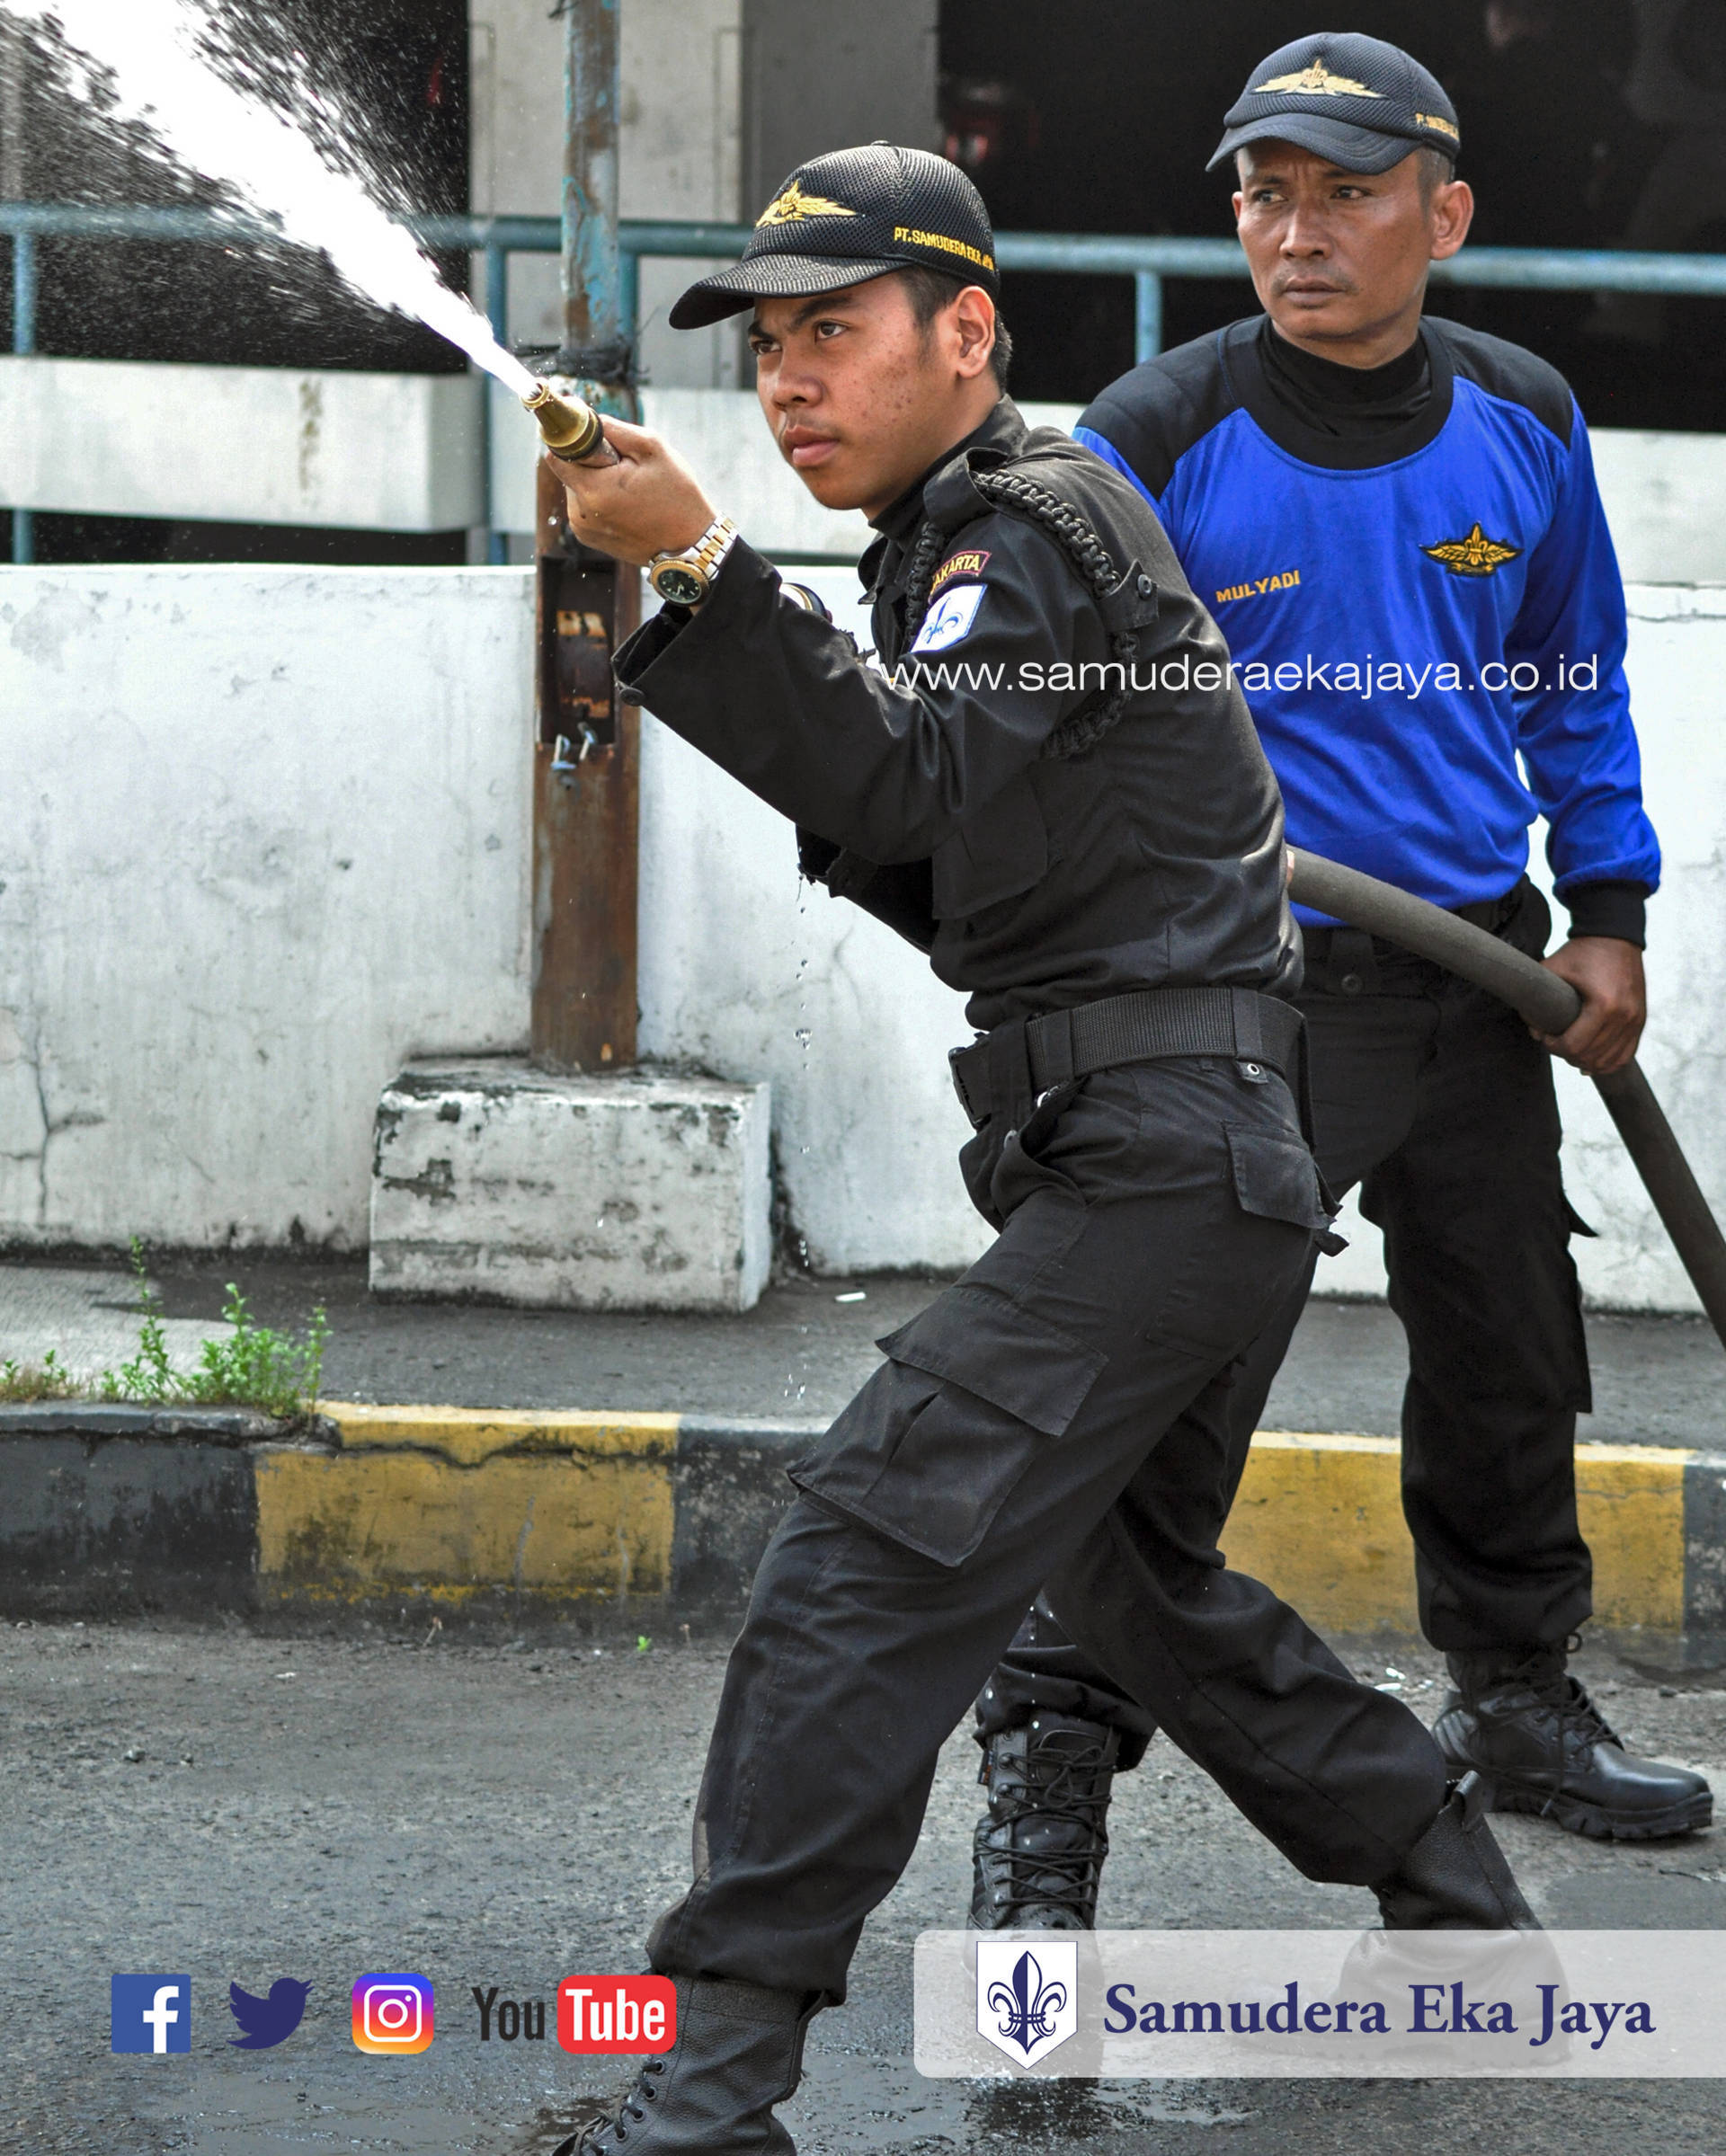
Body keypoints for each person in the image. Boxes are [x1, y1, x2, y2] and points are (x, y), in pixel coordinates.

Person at [538, 142, 1535, 2156]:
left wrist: (711, 572)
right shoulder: (961, 546)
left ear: (967, 331)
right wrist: (732, 600)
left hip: (1168, 1165)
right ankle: (1458, 1903)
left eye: (837, 333)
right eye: (770, 347)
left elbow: (906, 772)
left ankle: (712, 2084)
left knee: (866, 1546)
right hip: (1172, 1158)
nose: (792, 382)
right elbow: (942, 842)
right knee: (1141, 1592)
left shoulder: (1040, 523)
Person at [970, 31, 1711, 1940]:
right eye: (1262, 193)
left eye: (1345, 191)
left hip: (1477, 984)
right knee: (1164, 1400)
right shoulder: (1154, 429)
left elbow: (1575, 681)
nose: (1296, 233)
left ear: (1442, 216)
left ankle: (1520, 1701)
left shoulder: (1525, 417)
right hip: (1240, 1000)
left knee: (1510, 1357)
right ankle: (1050, 1774)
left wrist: (1605, 910)